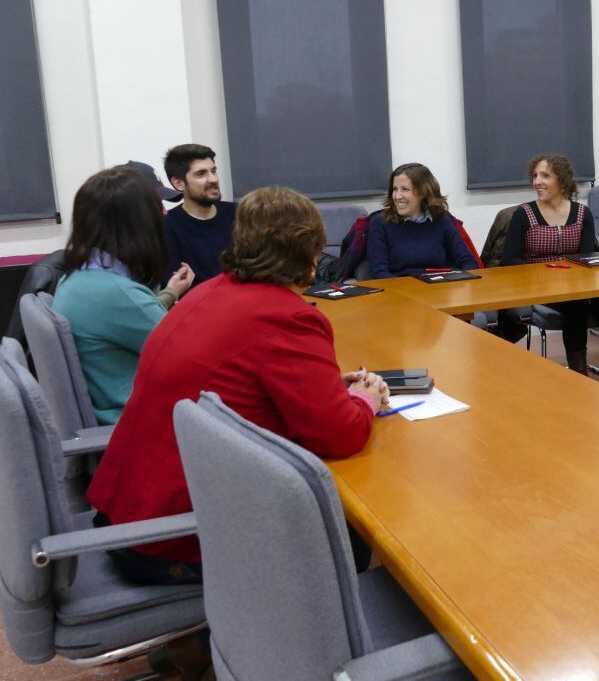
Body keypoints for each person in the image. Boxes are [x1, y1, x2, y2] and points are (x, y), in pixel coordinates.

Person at [86, 186, 388, 585]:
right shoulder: (288, 317)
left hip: (126, 513)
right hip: (176, 536)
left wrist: (326, 388)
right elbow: (341, 434)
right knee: (345, 528)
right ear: (311, 256)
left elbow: (239, 383)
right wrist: (365, 400)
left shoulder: (205, 293)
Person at [52, 167, 194, 425]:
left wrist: (170, 292)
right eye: (154, 209)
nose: (163, 214)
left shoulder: (76, 279)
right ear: (133, 223)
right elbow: (194, 358)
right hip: (147, 425)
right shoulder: (116, 294)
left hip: (118, 415)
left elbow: (130, 319)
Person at [501, 154, 599, 389]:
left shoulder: (581, 213)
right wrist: (545, 274)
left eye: (545, 176)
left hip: (575, 283)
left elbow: (586, 258)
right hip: (538, 285)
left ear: (563, 181)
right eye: (535, 176)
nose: (537, 181)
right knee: (575, 304)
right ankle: (579, 378)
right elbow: (509, 261)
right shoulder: (523, 214)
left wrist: (573, 278)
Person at [367, 163, 479, 278]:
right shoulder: (380, 223)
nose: (397, 196)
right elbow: (379, 273)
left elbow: (469, 262)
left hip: (439, 287)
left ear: (422, 192)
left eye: (405, 189)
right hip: (400, 289)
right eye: (395, 189)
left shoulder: (441, 219)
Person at [162, 143, 236, 285]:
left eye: (213, 171)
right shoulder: (166, 227)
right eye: (201, 174)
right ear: (178, 183)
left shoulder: (240, 214)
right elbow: (177, 288)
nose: (213, 179)